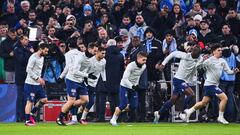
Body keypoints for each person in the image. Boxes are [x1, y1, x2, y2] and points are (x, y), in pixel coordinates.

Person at [180, 43, 239, 124]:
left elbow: (228, 71)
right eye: (219, 50)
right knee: (224, 98)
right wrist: (201, 60)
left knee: (203, 103)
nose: (221, 52)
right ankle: (220, 117)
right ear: (213, 52)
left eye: (221, 50)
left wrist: (234, 71)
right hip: (209, 85)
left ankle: (189, 111)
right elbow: (198, 66)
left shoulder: (222, 61)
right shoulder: (209, 60)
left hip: (214, 85)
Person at [153, 44, 202, 123]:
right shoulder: (185, 56)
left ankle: (158, 113)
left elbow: (196, 68)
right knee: (191, 94)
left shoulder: (200, 59)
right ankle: (182, 113)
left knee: (173, 100)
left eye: (197, 52)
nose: (195, 54)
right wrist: (163, 63)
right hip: (178, 79)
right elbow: (173, 54)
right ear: (191, 51)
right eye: (194, 51)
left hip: (185, 81)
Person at [56, 42, 98, 126]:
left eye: (96, 51)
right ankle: (59, 117)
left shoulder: (92, 59)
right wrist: (87, 75)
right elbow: (75, 71)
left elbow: (87, 70)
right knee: (71, 101)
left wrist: (88, 77)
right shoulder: (80, 58)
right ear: (89, 49)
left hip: (81, 80)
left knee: (85, 100)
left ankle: (67, 108)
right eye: (94, 51)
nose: (95, 53)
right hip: (72, 79)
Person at [110, 51, 148, 126]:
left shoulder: (144, 66)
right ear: (138, 58)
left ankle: (118, 109)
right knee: (123, 104)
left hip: (133, 87)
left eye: (145, 60)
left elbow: (137, 76)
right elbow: (125, 79)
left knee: (134, 106)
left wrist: (136, 85)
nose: (145, 62)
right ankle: (113, 119)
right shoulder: (130, 66)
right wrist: (132, 86)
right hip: (125, 86)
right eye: (143, 60)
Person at [24, 43, 49, 126]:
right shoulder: (33, 57)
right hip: (30, 83)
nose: (46, 53)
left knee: (44, 100)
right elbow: (28, 70)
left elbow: (37, 70)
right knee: (30, 102)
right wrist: (37, 78)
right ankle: (27, 121)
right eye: (45, 51)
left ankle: (32, 112)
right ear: (41, 49)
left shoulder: (41, 58)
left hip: (37, 84)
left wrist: (41, 79)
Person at [80, 46, 106, 124]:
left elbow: (102, 70)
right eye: (102, 53)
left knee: (90, 102)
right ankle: (79, 116)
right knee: (85, 101)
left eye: (105, 53)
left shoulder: (104, 61)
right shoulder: (90, 61)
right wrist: (86, 81)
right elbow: (84, 72)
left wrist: (104, 80)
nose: (104, 55)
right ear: (97, 52)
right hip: (85, 83)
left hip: (93, 84)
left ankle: (81, 117)